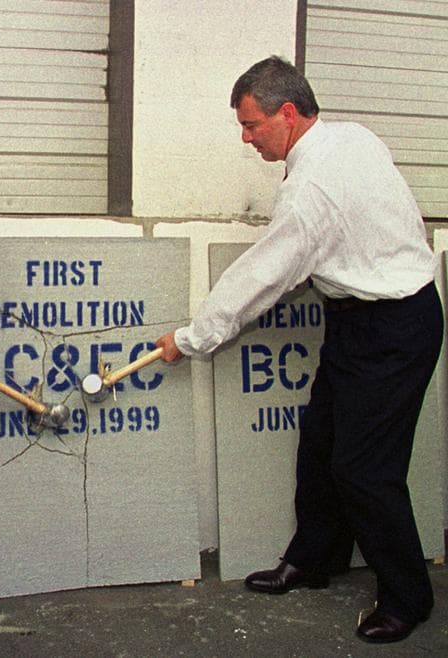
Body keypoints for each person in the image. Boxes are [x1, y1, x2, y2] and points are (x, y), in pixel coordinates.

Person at [155, 56, 442, 644]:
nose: (247, 138)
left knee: (365, 469)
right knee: (321, 442)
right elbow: (400, 214)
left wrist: (192, 338)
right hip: (366, 319)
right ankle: (314, 560)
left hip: (393, 327)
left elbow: (262, 277)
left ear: (288, 113)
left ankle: (409, 598)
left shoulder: (309, 189)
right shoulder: (354, 136)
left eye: (252, 125)